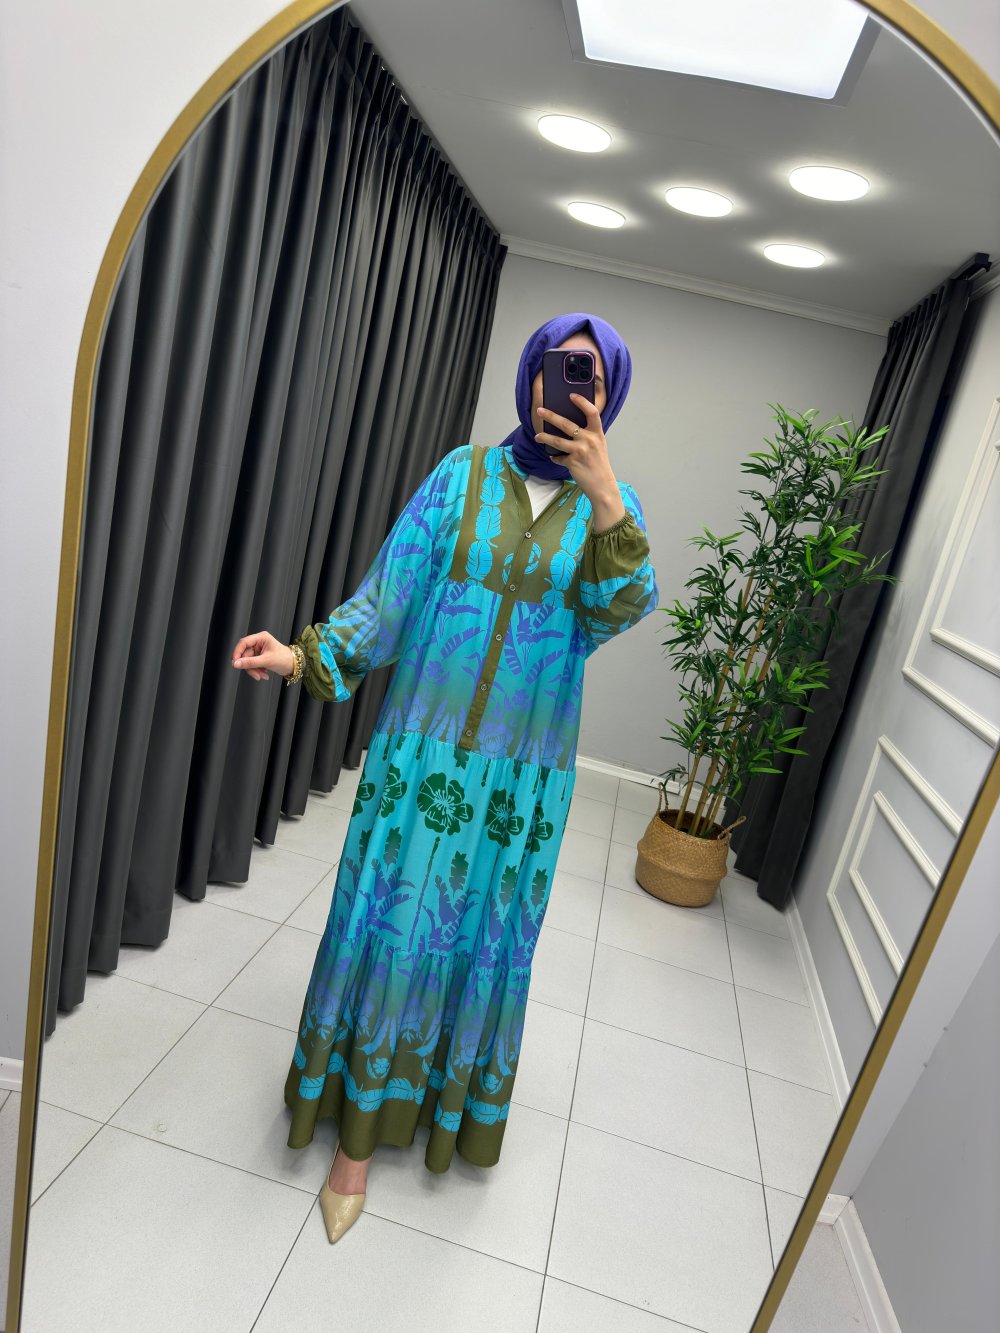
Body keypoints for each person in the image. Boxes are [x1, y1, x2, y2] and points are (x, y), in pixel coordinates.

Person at [231, 312, 658, 1243]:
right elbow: (388, 600)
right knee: (388, 930)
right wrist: (300, 658)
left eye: (589, 378)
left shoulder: (611, 512)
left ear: (610, 395)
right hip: (421, 760)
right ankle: (351, 1141)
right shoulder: (460, 475)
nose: (568, 389)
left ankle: (441, 1112)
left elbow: (616, 611)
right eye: (558, 368)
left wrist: (607, 498)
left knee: (482, 943)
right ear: (529, 373)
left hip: (522, 784)